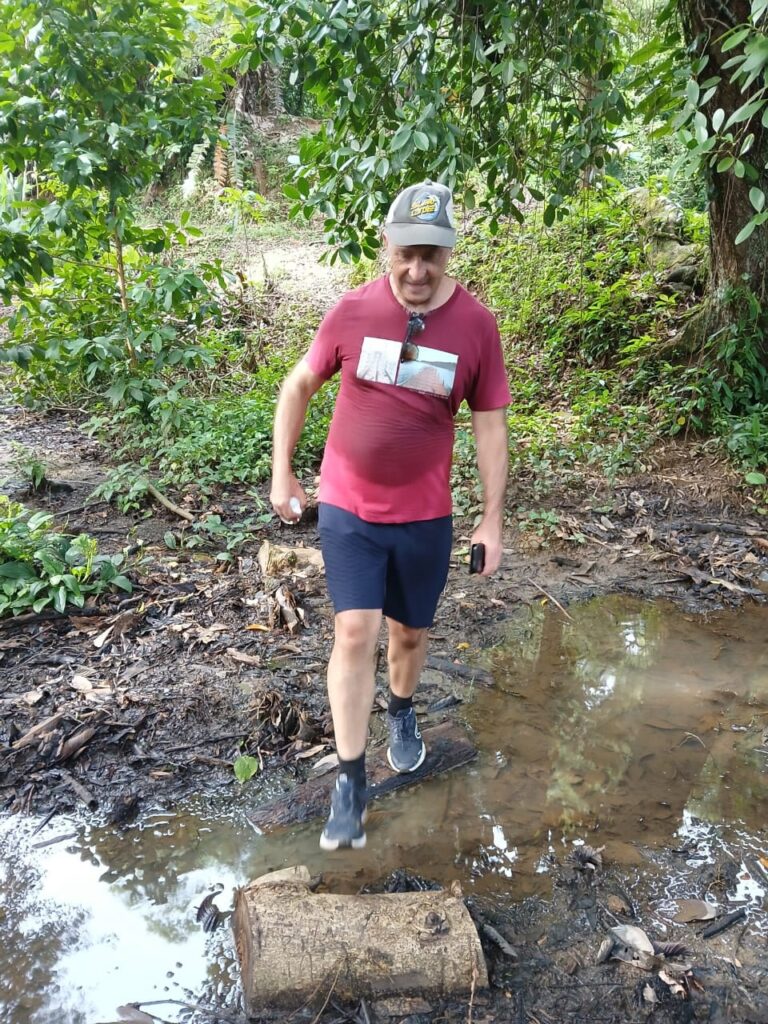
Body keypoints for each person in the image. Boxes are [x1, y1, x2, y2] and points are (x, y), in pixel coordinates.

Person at [270, 180, 510, 850]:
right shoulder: (352, 311)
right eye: (406, 252)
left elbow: (490, 426)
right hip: (348, 506)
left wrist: (491, 520)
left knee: (408, 636)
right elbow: (299, 384)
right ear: (386, 246)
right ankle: (351, 779)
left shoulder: (476, 326)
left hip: (425, 517)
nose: (417, 269)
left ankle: (401, 711)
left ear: (449, 254)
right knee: (355, 631)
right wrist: (282, 469)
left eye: (431, 255)